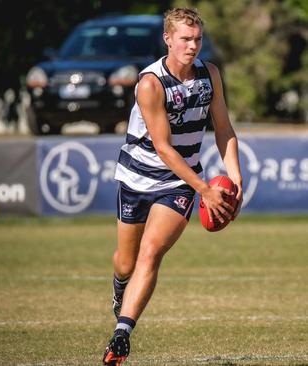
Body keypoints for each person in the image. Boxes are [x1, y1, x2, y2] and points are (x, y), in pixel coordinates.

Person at [103, 8, 243, 365]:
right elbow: (164, 148)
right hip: (138, 176)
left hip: (179, 182)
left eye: (197, 39)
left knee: (151, 253)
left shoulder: (209, 75)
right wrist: (207, 189)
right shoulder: (151, 83)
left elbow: (224, 129)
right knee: (125, 263)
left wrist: (235, 180)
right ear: (168, 39)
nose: (192, 46)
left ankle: (122, 334)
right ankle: (121, 289)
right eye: (185, 39)